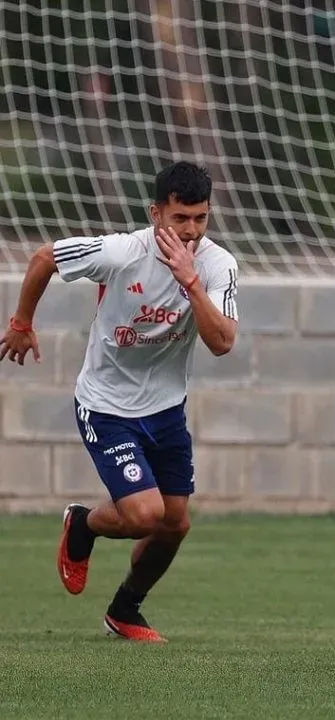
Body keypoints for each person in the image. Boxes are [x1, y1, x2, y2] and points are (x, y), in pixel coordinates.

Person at [0, 161, 239, 643]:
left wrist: (191, 281)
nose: (190, 231)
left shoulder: (217, 265)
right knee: (144, 515)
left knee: (174, 525)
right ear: (156, 214)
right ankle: (83, 525)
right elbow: (45, 257)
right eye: (180, 219)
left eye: (200, 218)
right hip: (106, 406)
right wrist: (22, 323)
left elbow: (223, 342)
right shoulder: (121, 252)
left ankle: (125, 610)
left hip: (167, 411)